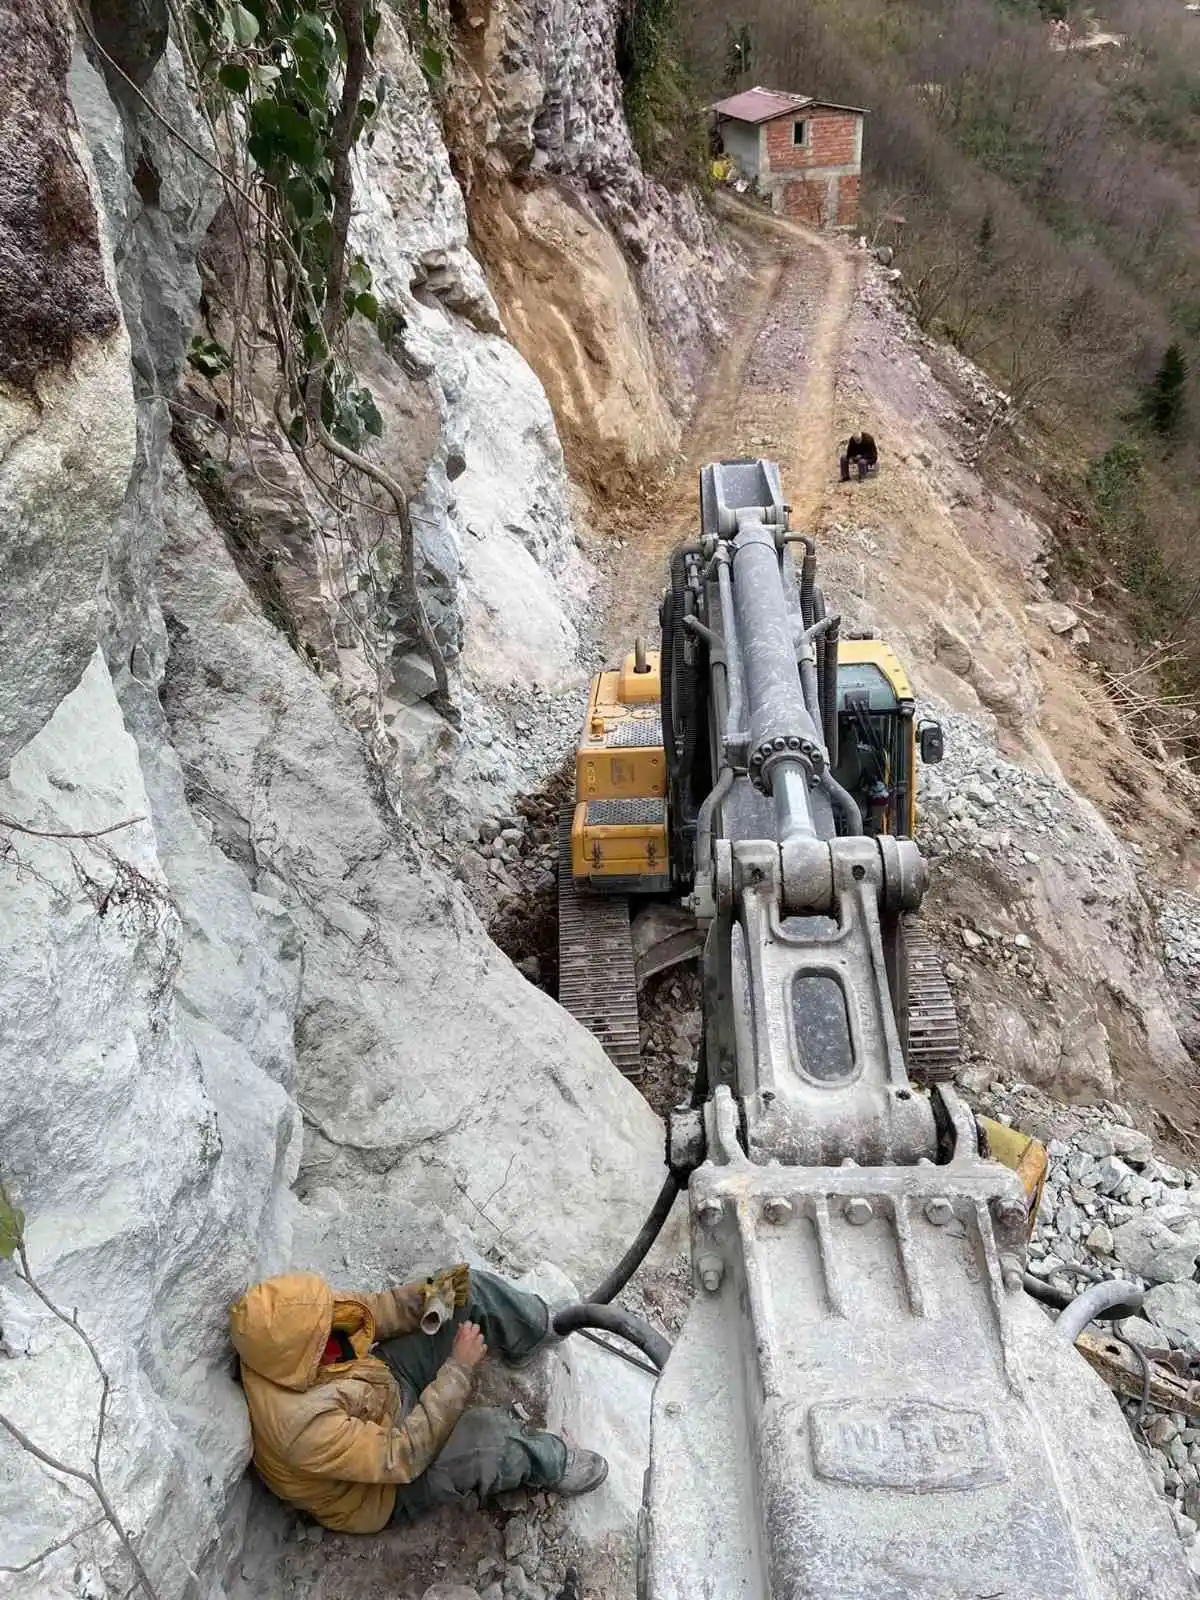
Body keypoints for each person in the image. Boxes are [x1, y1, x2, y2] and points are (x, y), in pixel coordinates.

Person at [229, 1264, 608, 1532]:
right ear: (305, 1358)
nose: (336, 1327)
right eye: (328, 1332)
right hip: (384, 1491)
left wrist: (432, 1298)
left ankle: (536, 1328)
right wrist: (458, 1369)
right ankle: (554, 1463)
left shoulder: (292, 1328)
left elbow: (373, 1312)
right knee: (489, 1438)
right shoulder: (300, 1429)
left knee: (465, 1288)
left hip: (379, 1384)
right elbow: (402, 1457)